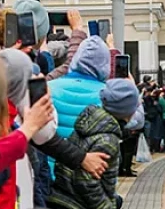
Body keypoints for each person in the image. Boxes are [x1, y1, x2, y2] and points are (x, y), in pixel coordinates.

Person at [47, 79, 141, 209]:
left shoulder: (93, 122)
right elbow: (86, 182)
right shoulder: (107, 140)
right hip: (78, 203)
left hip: (64, 195)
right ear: (127, 111)